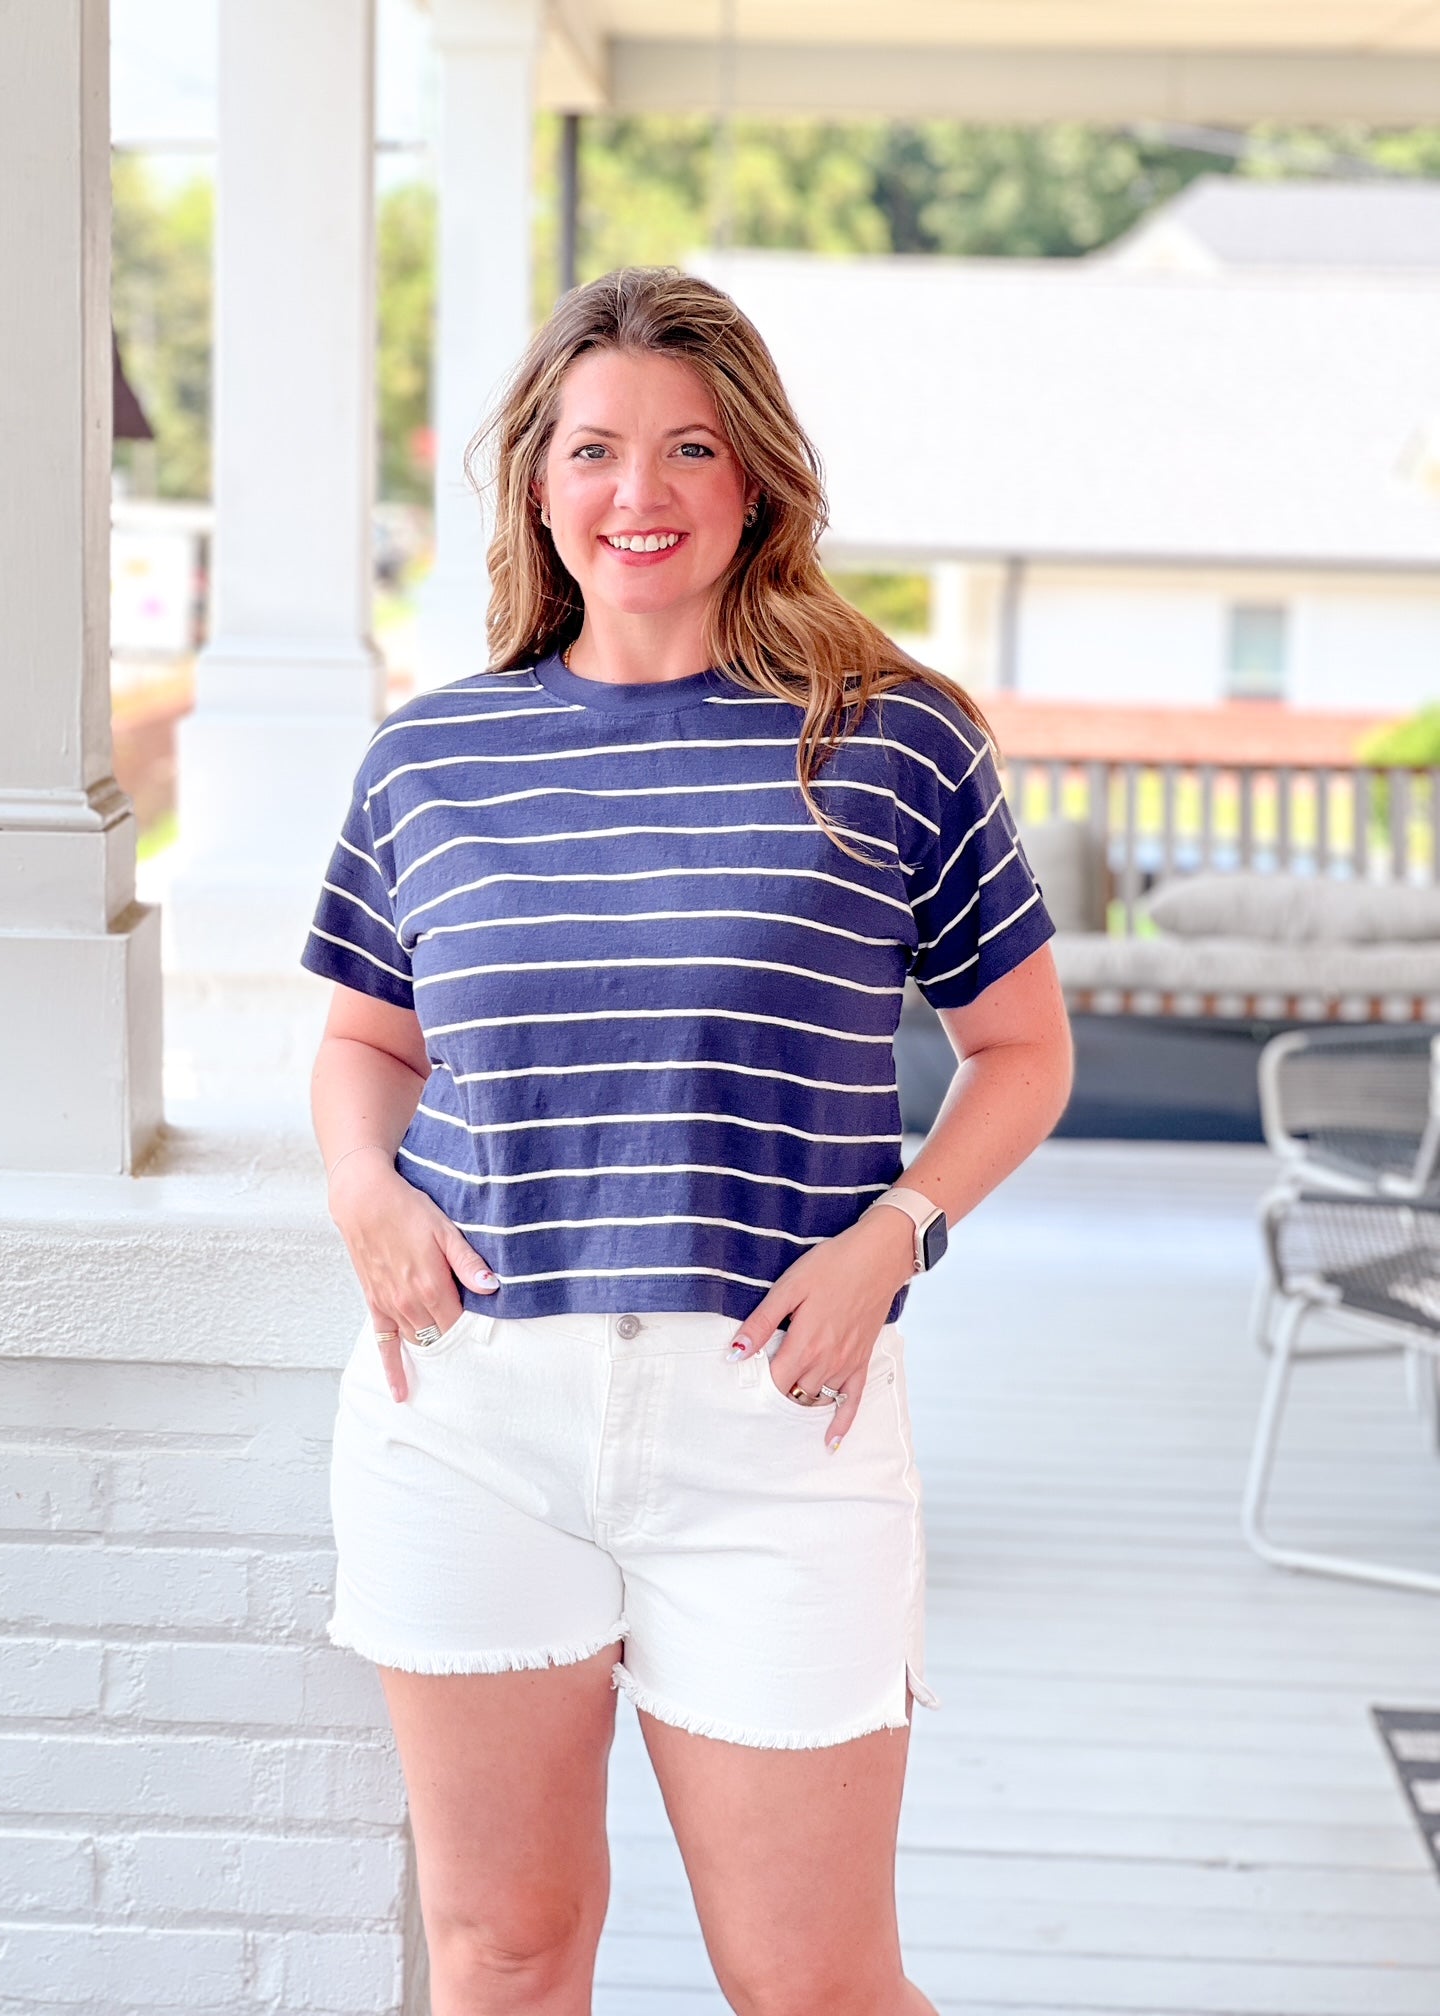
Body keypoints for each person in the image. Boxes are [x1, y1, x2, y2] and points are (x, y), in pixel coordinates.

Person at [303, 266, 1073, 2016]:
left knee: (811, 1983)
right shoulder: (431, 757)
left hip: (775, 1423)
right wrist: (366, 1191)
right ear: (537, 484)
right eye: (593, 451)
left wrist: (898, 1235)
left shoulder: (886, 742)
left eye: (688, 450)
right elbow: (364, 1036)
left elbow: (1021, 1050)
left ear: (757, 482)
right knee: (500, 1953)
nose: (636, 494)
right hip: (468, 1417)